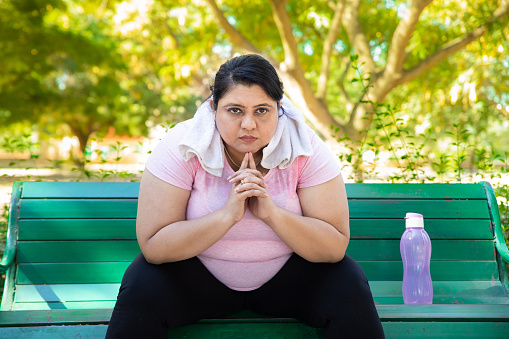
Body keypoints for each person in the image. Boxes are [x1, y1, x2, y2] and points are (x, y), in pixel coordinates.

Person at [106, 54, 384, 338]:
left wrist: (271, 213)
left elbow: (334, 245)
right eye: (235, 110)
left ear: (279, 109)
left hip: (287, 283)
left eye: (262, 110)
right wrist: (228, 215)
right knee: (142, 283)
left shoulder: (306, 146)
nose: (249, 124)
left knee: (348, 282)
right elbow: (154, 245)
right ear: (214, 108)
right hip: (200, 282)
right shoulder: (183, 144)